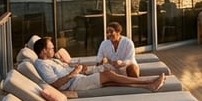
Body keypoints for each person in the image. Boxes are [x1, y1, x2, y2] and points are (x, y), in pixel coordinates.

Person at [33, 37, 165, 93]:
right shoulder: (42, 65)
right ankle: (149, 81)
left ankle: (149, 86)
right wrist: (73, 73)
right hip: (74, 84)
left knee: (111, 82)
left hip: (78, 78)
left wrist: (76, 69)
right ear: (43, 51)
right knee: (108, 74)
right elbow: (54, 85)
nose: (53, 50)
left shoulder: (49, 61)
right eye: (51, 48)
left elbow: (63, 70)